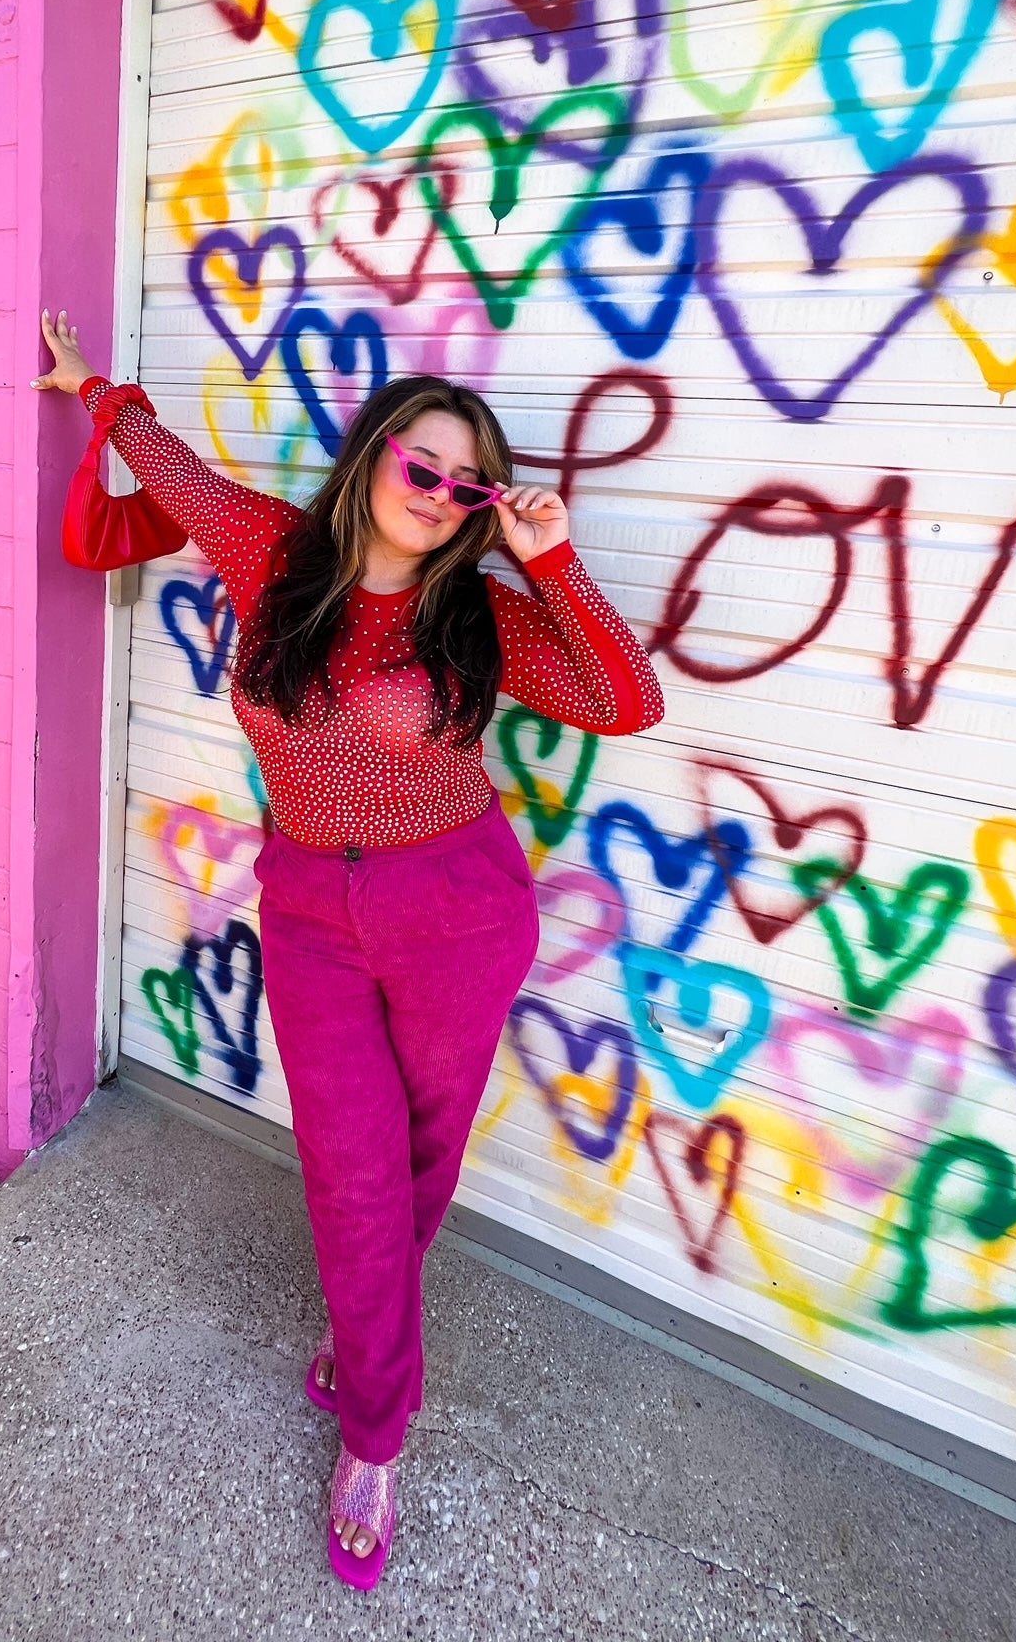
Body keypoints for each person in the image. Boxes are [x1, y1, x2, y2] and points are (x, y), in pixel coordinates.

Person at [34, 308, 664, 1591]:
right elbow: (172, 470)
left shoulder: (480, 614)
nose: (435, 495)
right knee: (354, 1172)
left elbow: (626, 701)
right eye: (417, 465)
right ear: (374, 457)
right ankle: (377, 1432)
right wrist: (91, 389)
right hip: (313, 909)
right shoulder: (276, 554)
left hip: (459, 912)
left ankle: (364, 1356)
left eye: (463, 483)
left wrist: (553, 561)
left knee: (420, 1160)